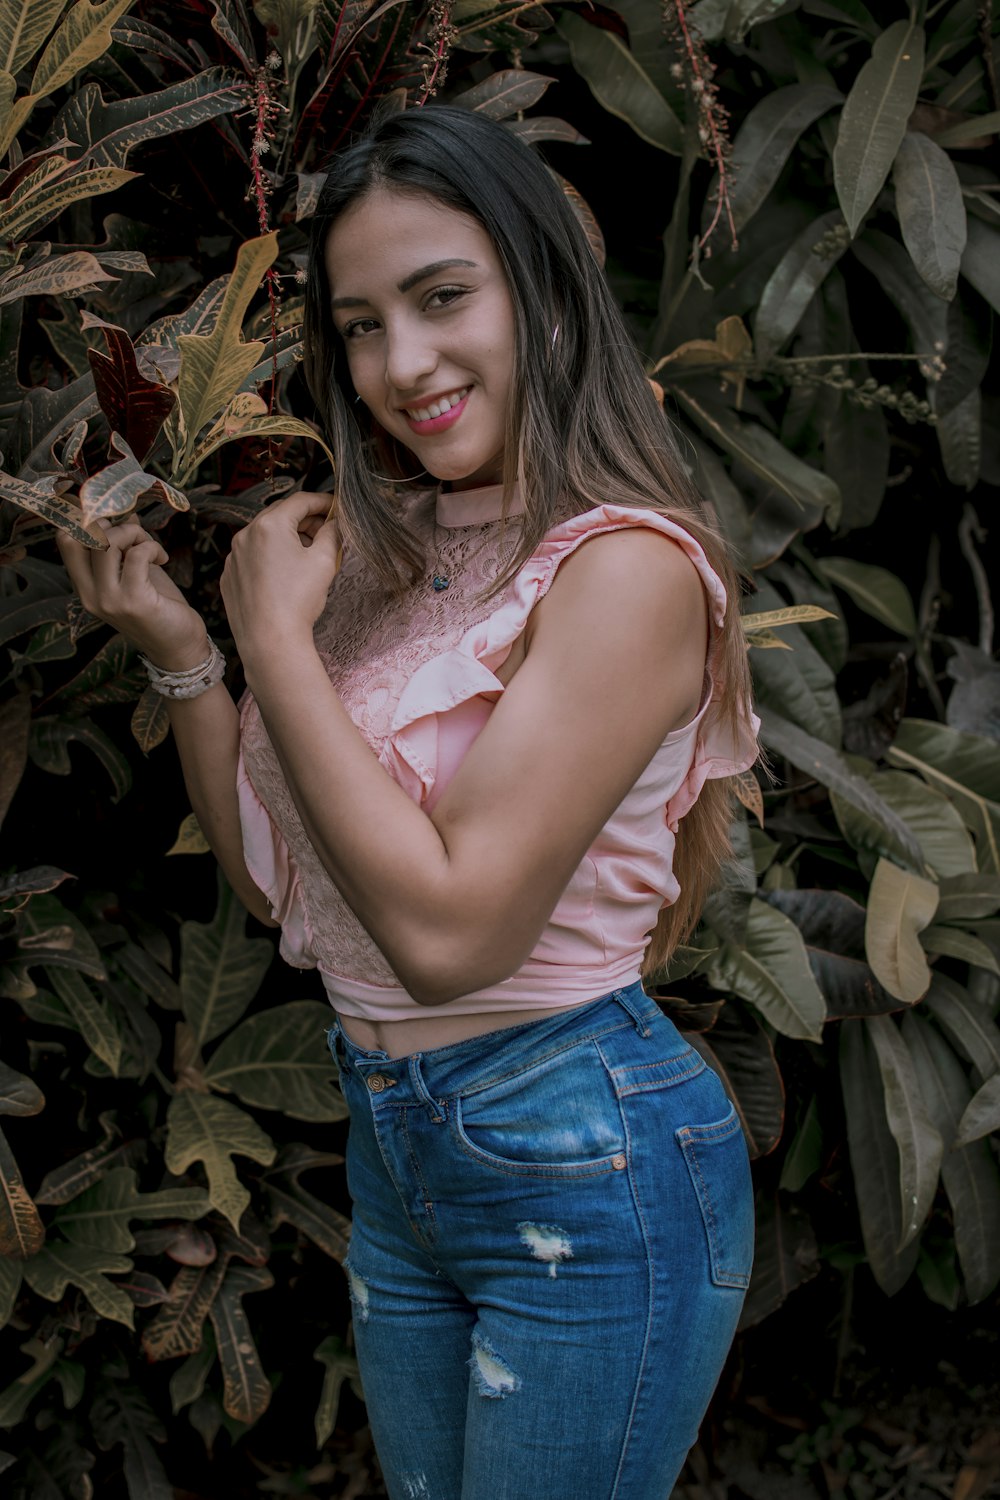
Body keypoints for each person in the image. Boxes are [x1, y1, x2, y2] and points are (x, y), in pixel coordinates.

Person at [58, 105, 759, 1500]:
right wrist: (189, 656)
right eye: (363, 324)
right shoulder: (383, 555)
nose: (401, 363)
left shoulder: (626, 573)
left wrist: (272, 644)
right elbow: (292, 888)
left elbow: (448, 939)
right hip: (398, 1146)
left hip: (579, 1142)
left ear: (546, 292)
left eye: (444, 298)